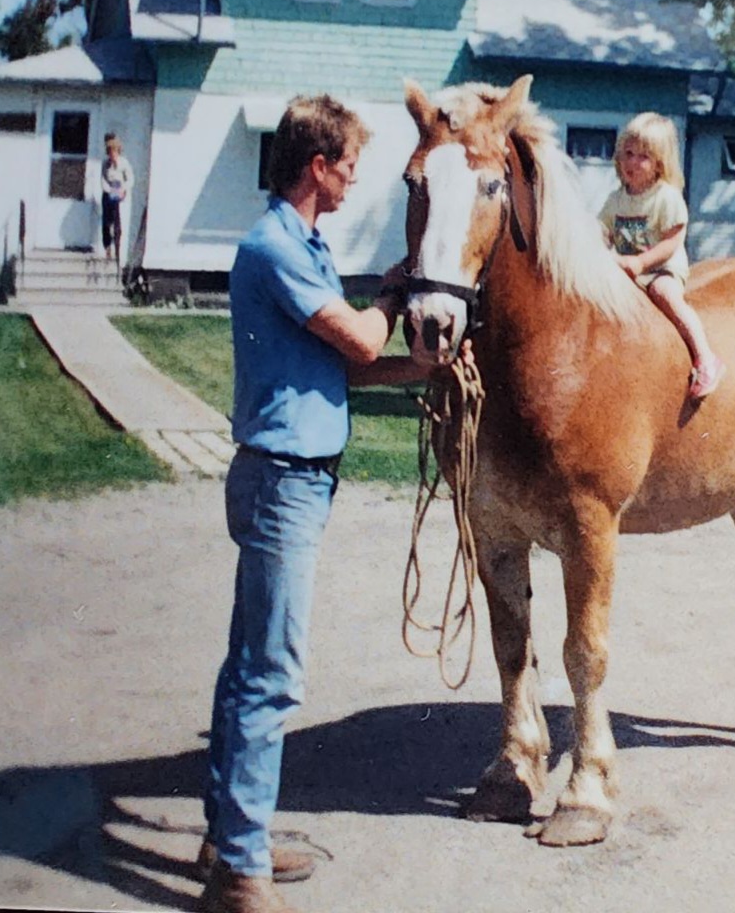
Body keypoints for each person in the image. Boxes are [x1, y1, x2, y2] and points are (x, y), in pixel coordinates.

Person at [198, 94, 426, 913]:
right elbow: (362, 338)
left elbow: (348, 367)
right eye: (349, 165)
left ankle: (231, 835)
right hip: (282, 483)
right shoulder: (274, 247)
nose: (355, 179)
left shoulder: (305, 246)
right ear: (317, 165)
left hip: (295, 478)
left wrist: (424, 371)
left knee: (248, 663)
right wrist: (395, 294)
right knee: (271, 675)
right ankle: (238, 871)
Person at [600, 112, 725, 398]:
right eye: (628, 153)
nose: (632, 162)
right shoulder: (616, 199)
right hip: (628, 270)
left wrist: (641, 262)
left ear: (659, 163)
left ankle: (705, 358)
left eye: (643, 156)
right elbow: (603, 230)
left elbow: (672, 241)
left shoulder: (665, 197)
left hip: (661, 269)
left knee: (663, 293)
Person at [100, 133, 133, 263]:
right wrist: (109, 190)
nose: (112, 155)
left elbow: (130, 179)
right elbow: (103, 180)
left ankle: (117, 248)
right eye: (110, 152)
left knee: (117, 221)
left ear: (118, 151)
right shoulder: (105, 164)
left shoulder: (123, 163)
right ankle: (107, 247)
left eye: (114, 152)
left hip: (119, 190)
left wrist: (122, 189)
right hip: (109, 191)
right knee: (106, 222)